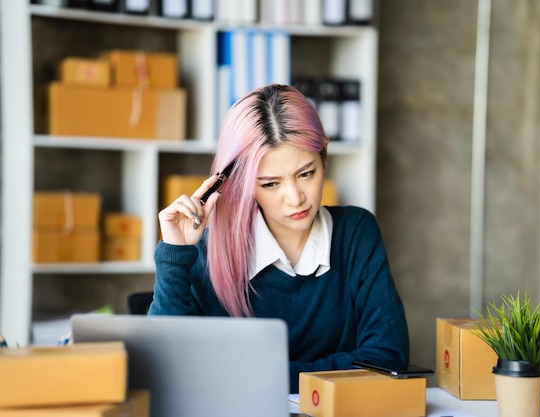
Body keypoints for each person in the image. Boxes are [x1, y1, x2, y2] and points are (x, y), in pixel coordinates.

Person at [148, 83, 410, 393]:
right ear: (240, 186)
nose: (295, 198)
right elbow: (166, 365)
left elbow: (387, 358)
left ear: (324, 157)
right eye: (271, 184)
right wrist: (175, 254)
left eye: (306, 174)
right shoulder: (205, 250)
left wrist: (251, 376)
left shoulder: (356, 232)